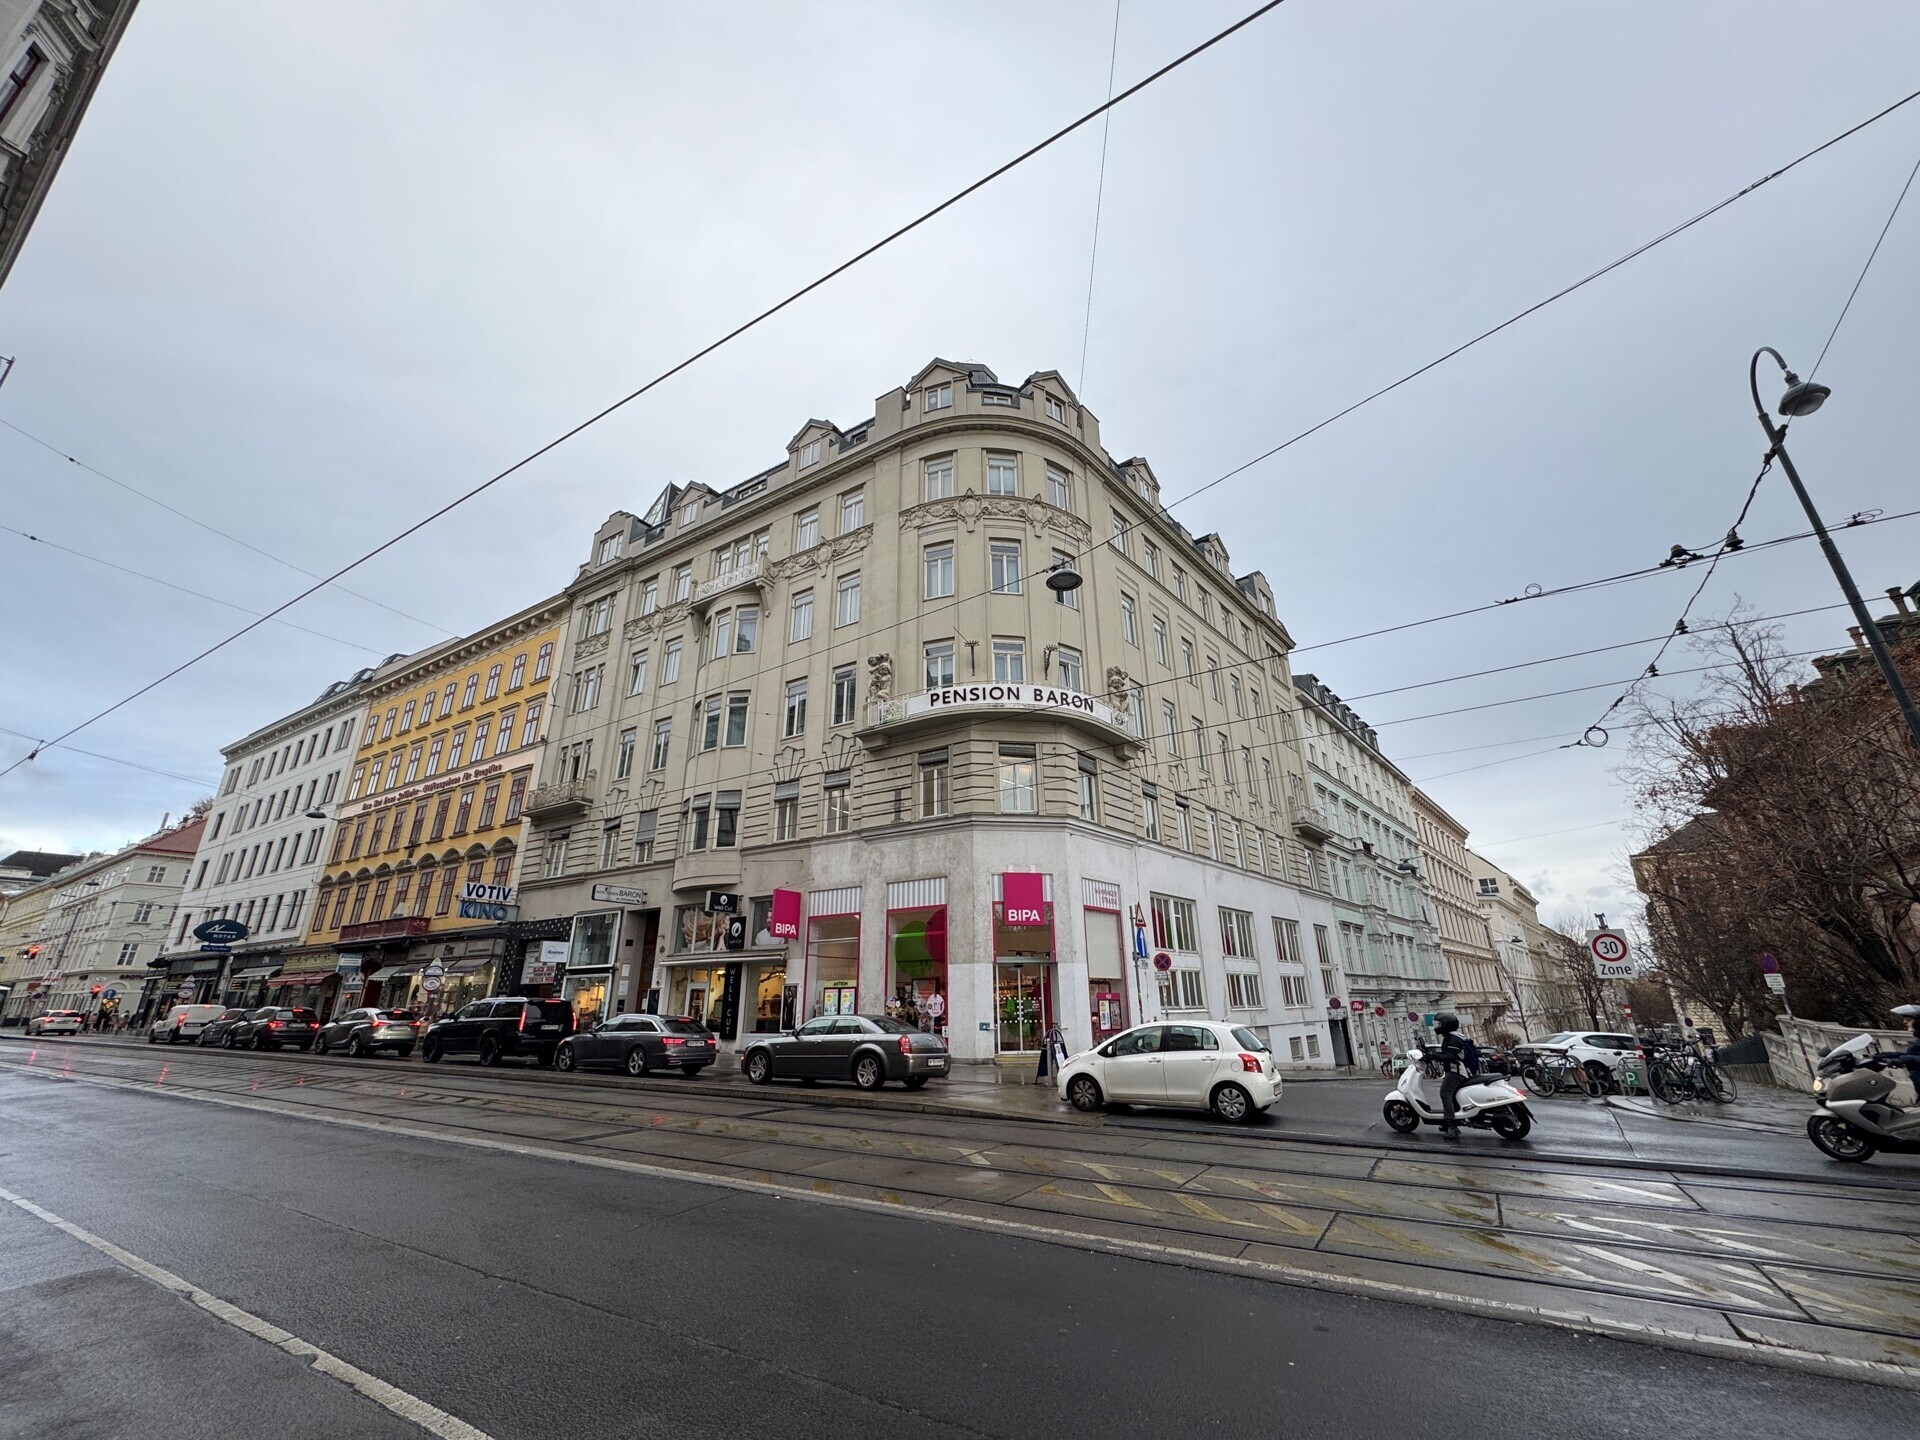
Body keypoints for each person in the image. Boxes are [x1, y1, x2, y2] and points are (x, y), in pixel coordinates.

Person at [1432, 1013, 1479, 1139]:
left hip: (1457, 1071)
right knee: (1452, 1095)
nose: (1436, 1027)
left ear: (1446, 1025)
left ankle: (1452, 1126)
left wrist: (1434, 1056)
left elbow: (1451, 1057)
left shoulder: (1453, 1039)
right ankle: (1450, 1121)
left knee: (1445, 1093)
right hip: (1457, 1070)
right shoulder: (1453, 1037)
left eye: (1439, 1024)